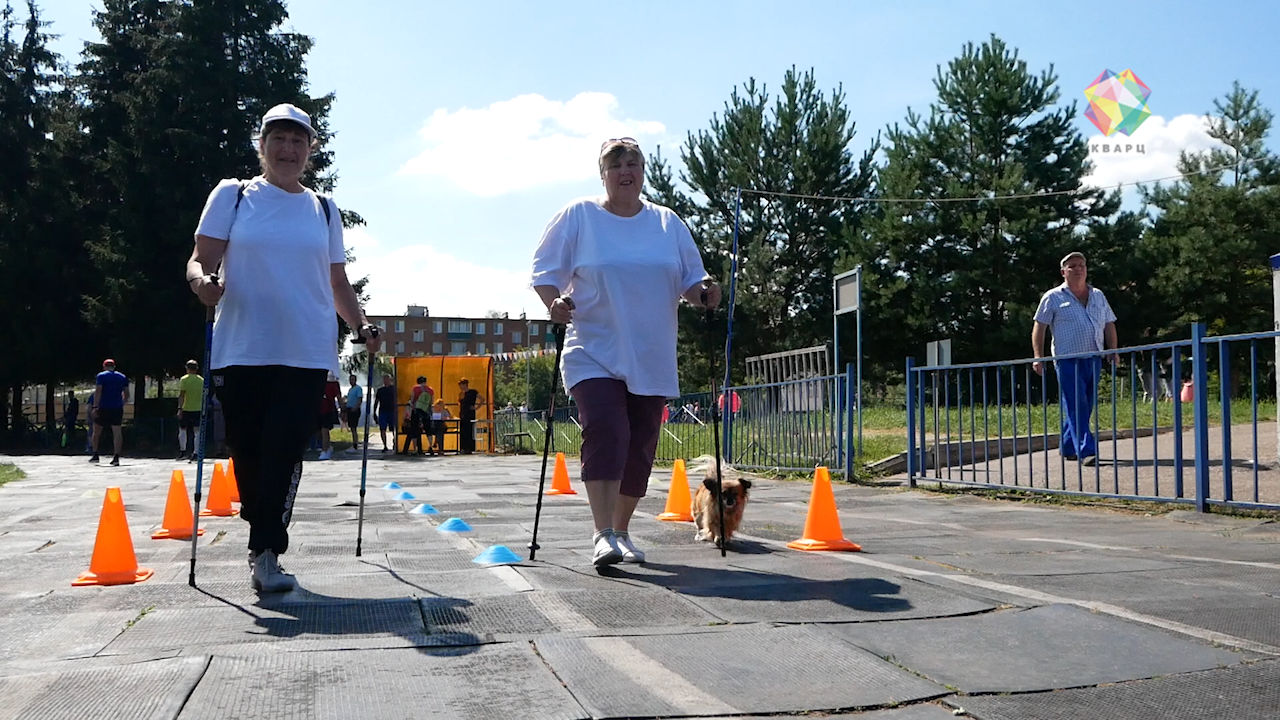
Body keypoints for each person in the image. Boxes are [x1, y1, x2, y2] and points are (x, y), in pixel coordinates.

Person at [186, 102, 380, 593]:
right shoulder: (233, 196)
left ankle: (266, 550)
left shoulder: (323, 208)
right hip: (242, 346)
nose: (289, 149)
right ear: (263, 146)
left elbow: (336, 280)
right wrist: (201, 284)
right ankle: (263, 536)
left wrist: (361, 325)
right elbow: (199, 259)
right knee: (248, 450)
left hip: (307, 350)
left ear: (310, 150)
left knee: (285, 448)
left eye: (299, 141)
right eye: (279, 139)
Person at [530, 136, 720, 567]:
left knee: (640, 445)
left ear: (642, 171)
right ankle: (602, 533)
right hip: (592, 347)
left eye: (632, 162)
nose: (624, 171)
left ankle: (621, 529)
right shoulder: (579, 216)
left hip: (650, 353)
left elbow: (692, 281)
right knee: (608, 429)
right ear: (603, 176)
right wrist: (554, 304)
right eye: (615, 165)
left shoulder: (666, 222)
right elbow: (544, 272)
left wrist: (706, 292)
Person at [1032, 251, 1119, 466]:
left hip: (1094, 357)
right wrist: (1038, 357)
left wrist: (1113, 350)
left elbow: (1109, 323)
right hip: (1067, 359)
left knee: (1085, 404)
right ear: (1064, 272)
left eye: (1082, 265)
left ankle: (1068, 445)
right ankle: (1086, 450)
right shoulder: (1053, 297)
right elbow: (1039, 328)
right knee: (1076, 403)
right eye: (1073, 266)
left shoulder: (1098, 295)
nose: (1078, 269)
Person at [90, 359, 130, 466]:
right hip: (116, 407)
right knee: (117, 432)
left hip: (102, 407)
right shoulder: (122, 377)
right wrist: (122, 403)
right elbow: (127, 394)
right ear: (114, 366)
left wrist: (95, 406)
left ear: (104, 366)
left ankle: (95, 454)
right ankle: (116, 456)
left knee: (96, 432)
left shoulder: (101, 376)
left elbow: (98, 391)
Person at [176, 359, 204, 461]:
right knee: (197, 431)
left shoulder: (184, 379)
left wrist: (180, 408)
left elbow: (182, 395)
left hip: (186, 408)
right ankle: (196, 453)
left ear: (187, 368)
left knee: (182, 430)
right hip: (198, 408)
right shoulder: (201, 380)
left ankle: (183, 451)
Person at [401, 376, 433, 455]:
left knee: (414, 430)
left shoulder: (415, 388)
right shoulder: (430, 390)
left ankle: (415, 449)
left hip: (416, 411)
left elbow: (412, 400)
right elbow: (431, 402)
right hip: (426, 412)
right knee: (428, 430)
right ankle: (430, 447)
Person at [456, 378, 486, 454]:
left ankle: (469, 448)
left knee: (469, 430)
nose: (460, 387)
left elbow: (482, 399)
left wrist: (476, 407)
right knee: (462, 431)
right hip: (463, 413)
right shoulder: (461, 394)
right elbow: (459, 402)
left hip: (469, 413)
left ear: (465, 385)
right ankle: (463, 448)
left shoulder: (473, 392)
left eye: (461, 385)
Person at [319, 373, 341, 460]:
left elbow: (338, 396)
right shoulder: (320, 384)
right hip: (320, 409)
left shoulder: (333, 384)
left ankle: (325, 449)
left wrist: (342, 408)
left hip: (327, 409)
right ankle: (326, 447)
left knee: (325, 429)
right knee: (320, 430)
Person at [373, 374, 397, 452]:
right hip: (383, 411)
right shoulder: (380, 390)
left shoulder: (393, 389)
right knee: (382, 429)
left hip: (392, 411)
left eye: (387, 379)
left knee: (393, 428)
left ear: (390, 380)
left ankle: (395, 442)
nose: (385, 381)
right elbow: (376, 401)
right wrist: (374, 412)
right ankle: (385, 445)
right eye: (384, 379)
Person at [343, 372, 364, 453]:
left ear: (355, 380)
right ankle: (354, 443)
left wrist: (355, 407)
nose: (351, 381)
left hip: (354, 410)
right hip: (349, 409)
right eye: (350, 380)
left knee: (353, 427)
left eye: (352, 379)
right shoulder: (350, 389)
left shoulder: (358, 388)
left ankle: (355, 445)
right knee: (351, 427)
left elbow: (359, 399)